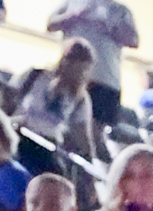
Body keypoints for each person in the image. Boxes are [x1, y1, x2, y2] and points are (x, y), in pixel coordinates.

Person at [45, 0, 137, 132]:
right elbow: (51, 24)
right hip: (71, 78)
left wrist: (112, 26)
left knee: (96, 132)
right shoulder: (73, 3)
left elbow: (133, 40)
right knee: (61, 125)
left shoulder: (121, 11)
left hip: (105, 81)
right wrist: (75, 16)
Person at [10, 37, 97, 163]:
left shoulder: (80, 99)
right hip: (20, 134)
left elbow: (83, 137)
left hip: (47, 148)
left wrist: (90, 161)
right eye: (71, 60)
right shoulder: (34, 76)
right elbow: (8, 100)